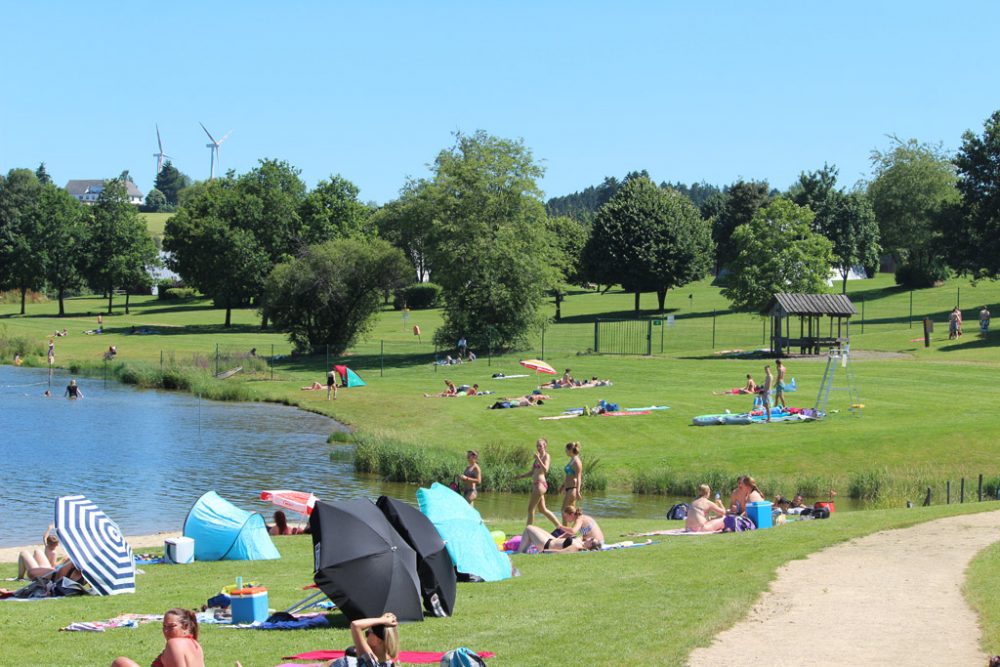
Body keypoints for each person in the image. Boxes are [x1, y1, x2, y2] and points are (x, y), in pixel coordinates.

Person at [112, 608, 204, 667]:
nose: (166, 631)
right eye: (164, 626)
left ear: (185, 626)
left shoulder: (174, 644)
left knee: (120, 662)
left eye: (171, 626)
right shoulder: (196, 645)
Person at [326, 612, 399, 667]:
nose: (365, 637)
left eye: (367, 633)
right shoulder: (388, 662)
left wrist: (382, 620)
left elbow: (355, 625)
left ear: (378, 640)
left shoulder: (370, 661)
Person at [516, 438, 560, 527]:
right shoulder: (537, 458)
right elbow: (532, 472)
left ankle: (528, 530)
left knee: (530, 509)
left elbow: (546, 470)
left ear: (545, 446)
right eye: (537, 446)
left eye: (540, 446)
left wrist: (539, 459)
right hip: (536, 484)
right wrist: (521, 476)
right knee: (543, 510)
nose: (538, 447)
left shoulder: (546, 456)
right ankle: (559, 526)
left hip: (540, 484)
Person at [517, 524, 600, 553]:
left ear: (590, 546)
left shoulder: (578, 547)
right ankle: (523, 549)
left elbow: (562, 552)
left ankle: (520, 552)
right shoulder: (581, 541)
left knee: (529, 528)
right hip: (552, 539)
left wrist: (546, 552)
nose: (591, 538)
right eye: (592, 538)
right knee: (533, 528)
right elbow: (581, 534)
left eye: (592, 540)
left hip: (546, 544)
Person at [560, 442, 583, 509]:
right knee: (571, 512)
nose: (565, 451)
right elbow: (568, 475)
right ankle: (580, 519)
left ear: (570, 450)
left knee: (564, 510)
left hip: (572, 489)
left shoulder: (577, 462)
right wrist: (563, 486)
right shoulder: (572, 460)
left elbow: (579, 478)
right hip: (568, 489)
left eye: (566, 450)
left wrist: (578, 492)